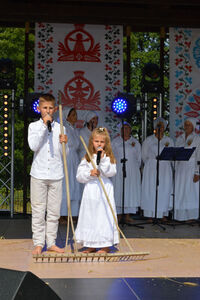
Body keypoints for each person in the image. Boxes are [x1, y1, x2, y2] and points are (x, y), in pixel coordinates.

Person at [28, 93, 69, 255]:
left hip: (56, 174)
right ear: (39, 109)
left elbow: (65, 155)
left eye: (50, 108)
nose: (48, 110)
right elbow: (33, 146)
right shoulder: (34, 126)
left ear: (55, 109)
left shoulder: (61, 128)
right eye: (45, 108)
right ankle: (38, 243)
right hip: (38, 173)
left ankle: (51, 242)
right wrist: (45, 126)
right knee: (38, 210)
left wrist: (65, 144)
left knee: (54, 212)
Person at [75, 127, 119, 253]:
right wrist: (90, 173)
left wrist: (103, 160)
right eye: (96, 141)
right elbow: (79, 176)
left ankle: (105, 244)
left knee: (103, 216)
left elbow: (112, 172)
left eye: (102, 142)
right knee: (90, 216)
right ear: (92, 142)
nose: (99, 144)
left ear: (106, 143)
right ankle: (91, 243)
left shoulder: (109, 157)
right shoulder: (87, 158)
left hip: (104, 189)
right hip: (91, 190)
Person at [141, 117, 174, 220]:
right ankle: (150, 214)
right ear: (155, 127)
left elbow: (172, 154)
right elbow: (144, 155)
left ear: (165, 128)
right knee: (151, 190)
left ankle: (163, 214)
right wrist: (151, 164)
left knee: (164, 189)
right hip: (151, 167)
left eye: (162, 126)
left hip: (165, 168)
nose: (160, 128)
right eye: (159, 126)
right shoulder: (149, 140)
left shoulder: (169, 140)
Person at [112, 122, 141, 224]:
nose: (126, 130)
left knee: (130, 191)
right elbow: (111, 155)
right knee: (119, 190)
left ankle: (128, 215)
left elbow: (139, 158)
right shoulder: (115, 142)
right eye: (123, 128)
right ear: (120, 130)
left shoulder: (135, 142)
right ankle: (118, 215)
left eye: (128, 128)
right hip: (119, 168)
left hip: (132, 170)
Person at [175, 118, 200, 221]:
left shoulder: (197, 138)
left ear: (193, 126)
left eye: (189, 125)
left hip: (191, 167)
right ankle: (180, 216)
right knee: (180, 191)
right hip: (181, 168)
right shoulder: (179, 138)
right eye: (185, 124)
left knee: (191, 192)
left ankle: (191, 216)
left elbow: (199, 155)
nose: (186, 127)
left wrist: (197, 172)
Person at [60, 106, 81, 223]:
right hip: (66, 158)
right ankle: (61, 214)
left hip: (74, 159)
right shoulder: (64, 129)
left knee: (73, 185)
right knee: (65, 185)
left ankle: (72, 213)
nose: (75, 117)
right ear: (67, 117)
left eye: (76, 115)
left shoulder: (74, 130)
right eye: (73, 115)